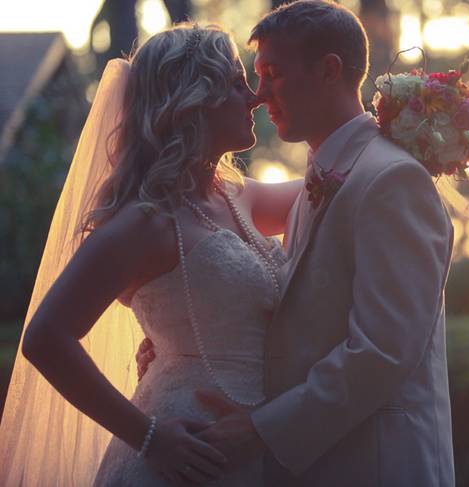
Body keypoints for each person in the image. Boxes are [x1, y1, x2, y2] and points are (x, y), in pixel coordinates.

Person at [141, 2, 457, 485]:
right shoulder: (326, 174)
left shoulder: (390, 179)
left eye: (273, 74)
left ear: (329, 71)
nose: (257, 94)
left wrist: (262, 429)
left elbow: (383, 350)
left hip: (379, 462)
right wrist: (181, 337)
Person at [0, 23, 301, 486]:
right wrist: (150, 438)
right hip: (180, 453)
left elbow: (333, 186)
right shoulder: (145, 222)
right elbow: (45, 337)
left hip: (251, 446)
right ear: (193, 99)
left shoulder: (237, 196)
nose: (256, 97)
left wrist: (409, 115)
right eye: (237, 84)